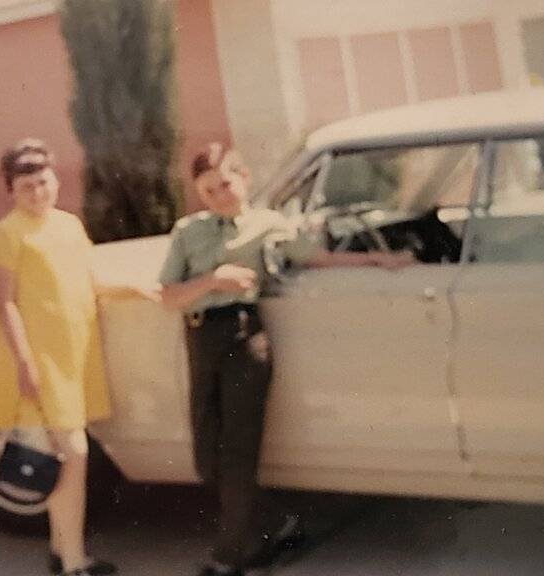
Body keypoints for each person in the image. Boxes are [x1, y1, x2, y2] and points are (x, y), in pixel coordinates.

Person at [157, 143, 413, 576]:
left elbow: (318, 257)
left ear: (244, 178)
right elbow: (167, 296)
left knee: (238, 453)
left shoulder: (268, 224)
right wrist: (213, 280)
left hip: (245, 338)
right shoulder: (188, 231)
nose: (220, 196)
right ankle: (280, 523)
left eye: (226, 184)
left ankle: (229, 557)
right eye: (209, 191)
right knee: (206, 459)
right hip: (201, 338)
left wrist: (376, 258)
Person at [0, 139, 144, 576]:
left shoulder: (69, 225)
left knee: (60, 453)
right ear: (11, 191)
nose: (37, 192)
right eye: (26, 186)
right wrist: (24, 363)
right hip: (40, 362)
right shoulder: (7, 234)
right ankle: (74, 562)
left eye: (43, 182)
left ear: (56, 180)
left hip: (75, 357)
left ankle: (59, 548)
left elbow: (89, 282)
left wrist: (140, 290)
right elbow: (3, 303)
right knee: (73, 453)